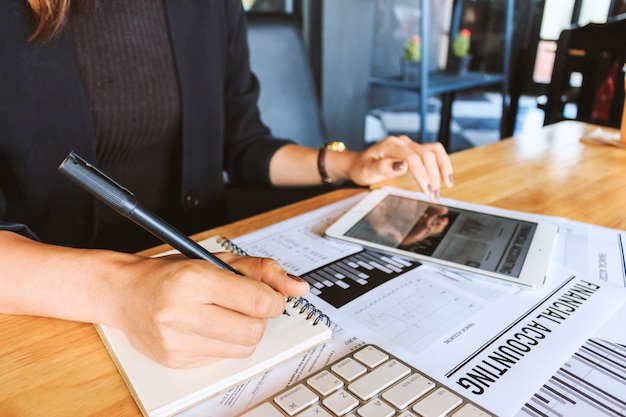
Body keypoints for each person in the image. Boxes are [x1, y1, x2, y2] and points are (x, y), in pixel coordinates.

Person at [0, 0, 454, 368]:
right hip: (48, 315)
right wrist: (125, 289)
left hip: (207, 292)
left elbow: (245, 144)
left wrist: (348, 163)